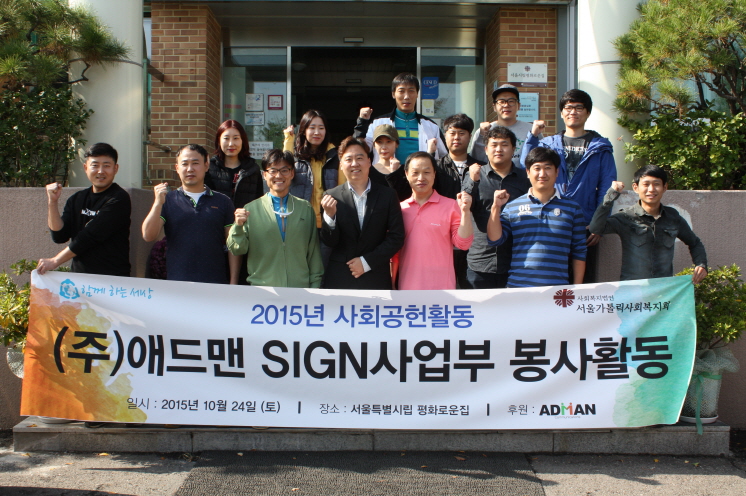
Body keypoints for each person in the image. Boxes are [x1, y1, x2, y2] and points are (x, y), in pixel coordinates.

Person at [520, 89, 617, 282]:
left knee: (583, 279)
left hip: (586, 223)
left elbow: (606, 187)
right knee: (552, 275)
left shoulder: (601, 147)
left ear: (588, 113)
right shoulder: (548, 144)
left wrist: (598, 224)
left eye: (579, 107)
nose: (573, 112)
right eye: (568, 107)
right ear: (561, 112)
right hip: (552, 219)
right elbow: (526, 164)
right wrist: (533, 136)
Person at [589, 165, 707, 283]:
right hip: (633, 290)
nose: (651, 189)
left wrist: (701, 264)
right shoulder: (626, 217)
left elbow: (695, 243)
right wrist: (611, 195)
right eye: (646, 184)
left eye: (656, 184)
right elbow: (596, 228)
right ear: (636, 188)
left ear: (664, 187)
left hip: (663, 289)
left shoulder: (673, 217)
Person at [487, 147, 586, 288]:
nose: (542, 174)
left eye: (548, 168)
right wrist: (495, 207)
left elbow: (579, 251)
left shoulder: (572, 208)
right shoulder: (512, 206)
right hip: (518, 288)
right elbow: (495, 239)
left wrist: (577, 289)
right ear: (528, 172)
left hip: (557, 290)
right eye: (537, 168)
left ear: (557, 172)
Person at [142, 144, 238, 284]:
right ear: (177, 168)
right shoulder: (167, 200)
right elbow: (148, 236)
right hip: (178, 283)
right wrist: (157, 203)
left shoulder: (223, 201)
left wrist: (233, 281)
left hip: (215, 283)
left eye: (195, 163)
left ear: (206, 166)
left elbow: (233, 245)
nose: (190, 169)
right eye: (184, 164)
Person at [227, 149, 323, 288]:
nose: (278, 175)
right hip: (263, 290)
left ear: (292, 173)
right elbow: (237, 249)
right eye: (273, 170)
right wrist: (237, 226)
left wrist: (315, 286)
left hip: (300, 290)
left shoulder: (305, 208)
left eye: (284, 170)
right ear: (264, 175)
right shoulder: (251, 209)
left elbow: (313, 254)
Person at [320, 137, 405, 290]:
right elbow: (329, 242)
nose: (354, 164)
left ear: (369, 161)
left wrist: (366, 262)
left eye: (359, 158)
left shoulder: (388, 195)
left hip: (376, 275)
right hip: (340, 278)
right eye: (348, 159)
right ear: (341, 165)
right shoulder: (331, 196)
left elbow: (396, 237)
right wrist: (330, 216)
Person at [38, 142, 130, 276]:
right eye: (95, 165)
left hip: (112, 279)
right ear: (86, 167)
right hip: (80, 278)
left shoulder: (119, 198)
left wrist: (55, 261)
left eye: (106, 165)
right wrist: (52, 202)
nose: (100, 171)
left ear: (115, 168)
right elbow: (59, 236)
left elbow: (90, 236)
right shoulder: (77, 198)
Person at [462, 127, 530, 289]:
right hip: (480, 261)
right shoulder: (474, 174)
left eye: (504, 145)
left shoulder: (525, 179)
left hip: (516, 261)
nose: (499, 149)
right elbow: (464, 205)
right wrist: (473, 180)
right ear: (486, 149)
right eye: (494, 145)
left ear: (514, 149)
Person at [393, 152, 473, 290]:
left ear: (434, 174)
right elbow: (394, 254)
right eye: (415, 172)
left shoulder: (450, 206)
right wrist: (392, 283)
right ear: (406, 174)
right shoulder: (400, 209)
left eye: (426, 172)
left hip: (442, 288)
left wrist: (465, 212)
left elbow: (463, 244)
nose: (421, 178)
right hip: (407, 288)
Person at [205, 119, 263, 284]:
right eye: (226, 138)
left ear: (243, 140)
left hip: (244, 237)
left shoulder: (252, 170)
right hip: (215, 236)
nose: (231, 143)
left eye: (236, 138)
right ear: (218, 141)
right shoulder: (210, 168)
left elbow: (259, 203)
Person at [354, 72, 447, 165]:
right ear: (393, 94)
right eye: (401, 91)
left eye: (411, 91)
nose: (406, 96)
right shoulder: (378, 123)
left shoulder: (431, 126)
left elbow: (445, 157)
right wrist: (362, 122)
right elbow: (361, 149)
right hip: (387, 173)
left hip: (419, 174)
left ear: (417, 94)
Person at [283, 110, 346, 232]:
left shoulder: (334, 157)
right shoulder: (296, 157)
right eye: (312, 128)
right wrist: (289, 139)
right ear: (304, 130)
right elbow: (284, 169)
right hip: (299, 222)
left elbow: (342, 190)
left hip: (327, 222)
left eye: (321, 128)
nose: (317, 132)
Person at [469, 84, 537, 165]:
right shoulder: (484, 131)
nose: (506, 105)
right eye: (501, 101)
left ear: (518, 106)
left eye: (511, 101)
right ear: (494, 107)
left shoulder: (531, 130)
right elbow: (475, 161)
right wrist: (482, 135)